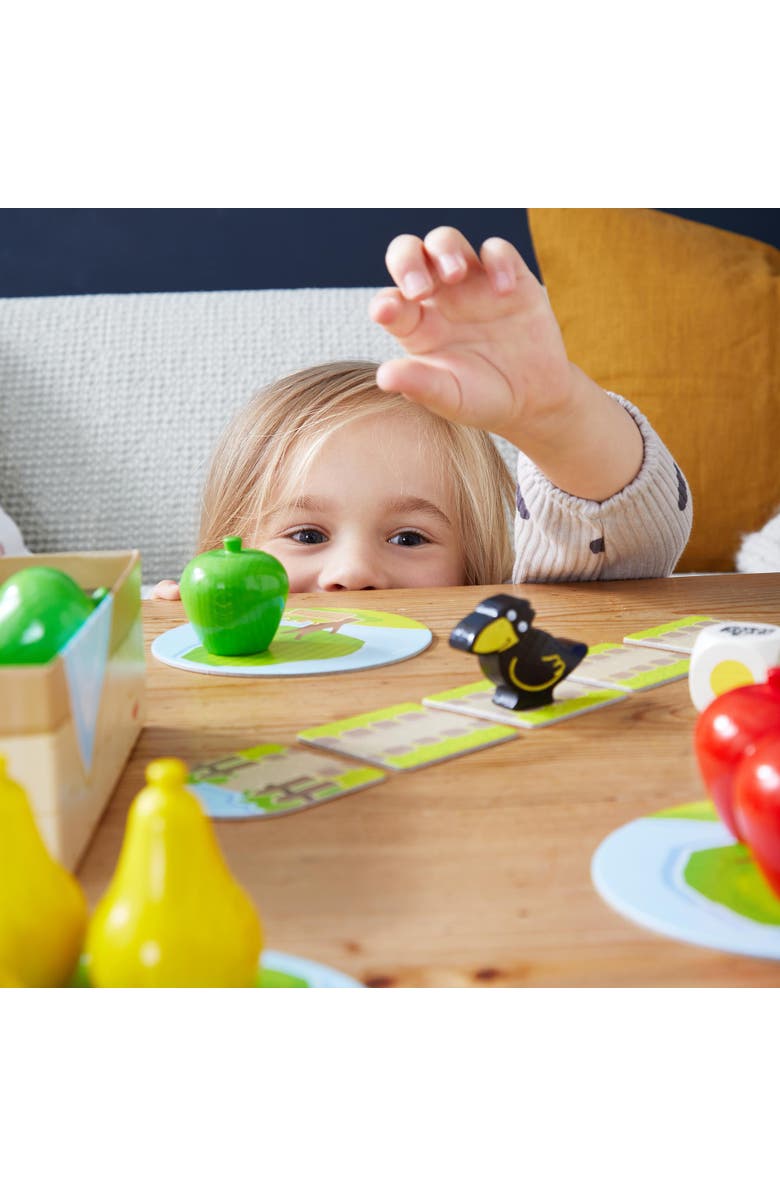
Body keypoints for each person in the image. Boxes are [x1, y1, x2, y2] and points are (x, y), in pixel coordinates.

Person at [154, 227, 692, 598]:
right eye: (307, 536)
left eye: (409, 538)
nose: (353, 573)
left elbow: (618, 546)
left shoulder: (496, 627)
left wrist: (556, 418)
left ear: (476, 570)